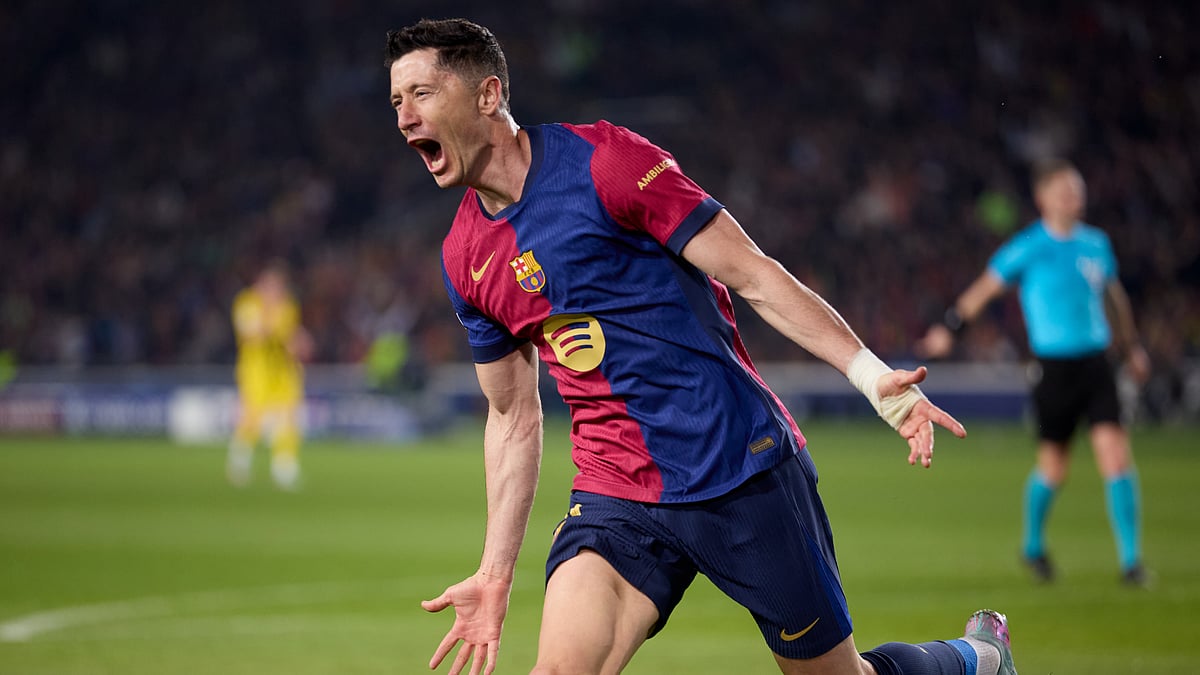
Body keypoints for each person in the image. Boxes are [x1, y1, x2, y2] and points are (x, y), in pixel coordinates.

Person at [386, 18, 1017, 675]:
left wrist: (865, 369)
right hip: (616, 491)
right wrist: (494, 573)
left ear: (487, 95)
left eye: (422, 94)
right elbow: (512, 416)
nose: (405, 116)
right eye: (396, 101)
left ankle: (977, 657)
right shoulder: (465, 257)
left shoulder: (606, 163)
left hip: (738, 465)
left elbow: (752, 272)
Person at [917, 159, 1151, 586]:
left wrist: (1131, 346)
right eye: (1063, 191)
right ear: (1043, 198)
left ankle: (1132, 563)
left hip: (1096, 363)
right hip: (1054, 369)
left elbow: (1114, 297)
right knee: (1054, 468)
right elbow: (984, 288)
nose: (1072, 198)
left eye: (1076, 190)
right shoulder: (1028, 247)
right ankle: (1032, 545)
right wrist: (949, 329)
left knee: (1116, 458)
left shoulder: (1096, 244)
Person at [227, 261, 314, 490]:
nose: (277, 291)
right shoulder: (247, 304)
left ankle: (284, 468)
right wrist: (269, 318)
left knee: (288, 416)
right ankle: (239, 463)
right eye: (273, 286)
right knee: (252, 416)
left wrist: (300, 342)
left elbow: (290, 336)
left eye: (280, 287)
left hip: (284, 370)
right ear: (261, 285)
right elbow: (252, 335)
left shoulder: (287, 306)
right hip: (256, 369)